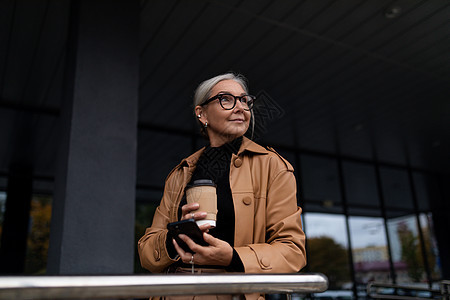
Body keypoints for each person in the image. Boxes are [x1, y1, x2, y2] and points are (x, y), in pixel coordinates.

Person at [138, 73, 306, 299]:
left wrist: (233, 257)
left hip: (233, 291)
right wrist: (175, 238)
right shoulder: (180, 173)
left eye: (244, 100)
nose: (240, 108)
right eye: (226, 99)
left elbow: (292, 251)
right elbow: (147, 252)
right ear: (201, 113)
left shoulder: (273, 167)